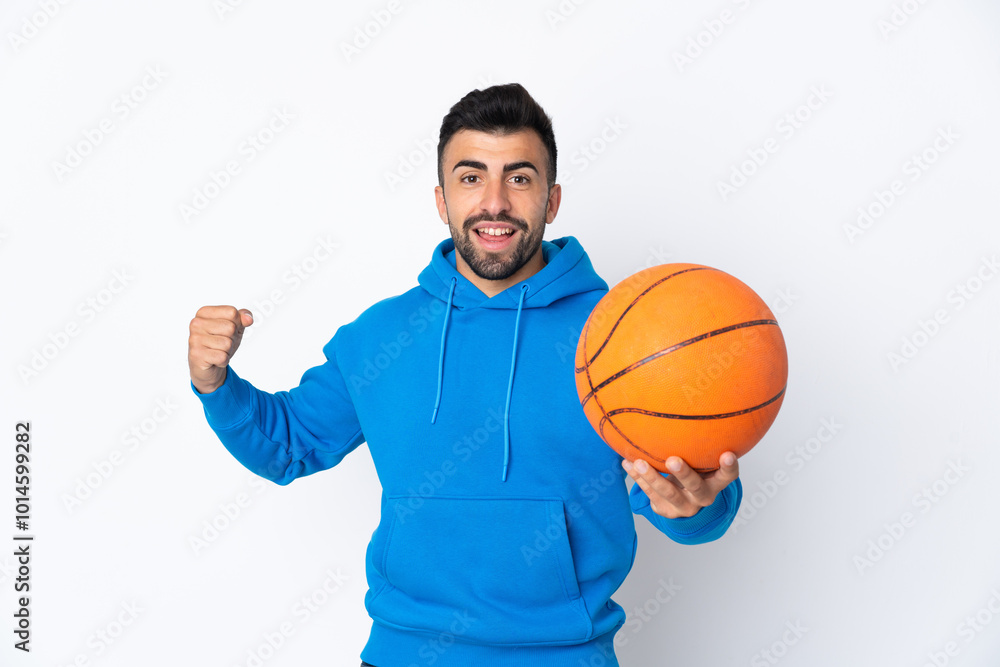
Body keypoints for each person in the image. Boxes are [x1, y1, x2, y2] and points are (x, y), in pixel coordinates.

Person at [188, 83, 743, 667]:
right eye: (472, 177)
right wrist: (214, 382)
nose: (495, 203)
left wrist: (700, 505)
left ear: (552, 201)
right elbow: (287, 446)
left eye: (520, 178)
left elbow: (690, 500)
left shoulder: (621, 336)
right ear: (441, 198)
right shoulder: (383, 336)